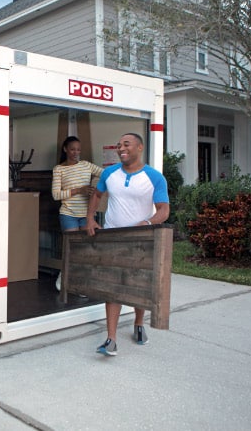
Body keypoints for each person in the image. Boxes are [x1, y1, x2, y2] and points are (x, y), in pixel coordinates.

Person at [86, 132, 170, 356]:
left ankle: (139, 323)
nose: (121, 148)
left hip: (141, 241)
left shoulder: (154, 177)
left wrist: (148, 222)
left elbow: (164, 210)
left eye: (127, 144)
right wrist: (90, 218)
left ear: (140, 148)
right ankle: (111, 339)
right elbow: (96, 195)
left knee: (136, 286)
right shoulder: (109, 173)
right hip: (113, 238)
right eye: (119, 144)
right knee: (113, 288)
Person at [51, 136, 103, 291]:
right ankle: (64, 276)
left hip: (86, 215)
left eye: (78, 149)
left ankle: (81, 283)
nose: (76, 152)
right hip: (68, 214)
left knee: (84, 250)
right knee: (70, 248)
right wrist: (79, 190)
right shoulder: (59, 169)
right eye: (72, 149)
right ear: (65, 149)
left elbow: (106, 174)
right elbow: (56, 195)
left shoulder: (86, 166)